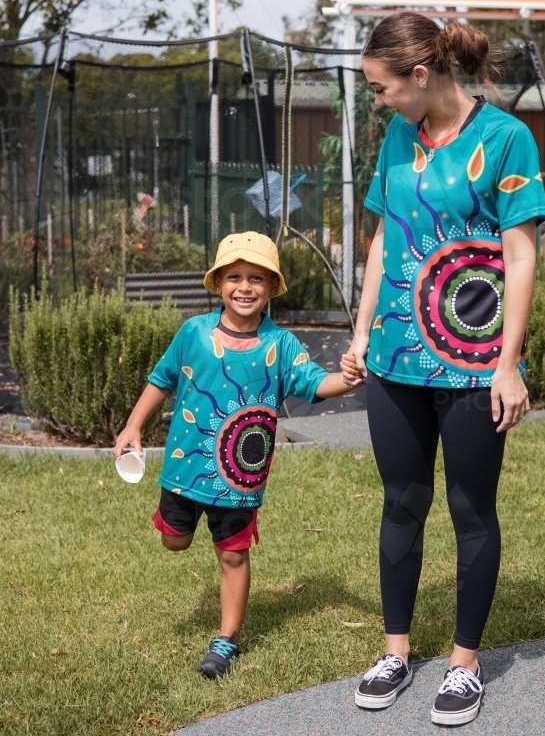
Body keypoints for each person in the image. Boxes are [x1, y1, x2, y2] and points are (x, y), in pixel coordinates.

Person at [347, 13, 545, 726]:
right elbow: (380, 238)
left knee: (469, 508)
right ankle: (395, 652)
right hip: (396, 358)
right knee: (401, 500)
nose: (378, 101)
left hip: (471, 361)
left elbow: (519, 255)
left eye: (381, 89)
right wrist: (363, 331)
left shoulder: (504, 140)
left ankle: (464, 664)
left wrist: (507, 363)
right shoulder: (399, 137)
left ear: (420, 76)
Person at [114, 231, 360, 679]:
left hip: (239, 479)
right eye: (234, 277)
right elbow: (161, 378)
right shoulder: (194, 333)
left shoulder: (281, 345)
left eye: (256, 279)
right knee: (175, 541)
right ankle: (179, 524)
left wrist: (349, 378)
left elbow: (315, 384)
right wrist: (133, 425)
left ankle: (226, 641)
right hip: (183, 471)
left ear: (271, 287)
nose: (245, 287)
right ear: (218, 283)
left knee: (232, 555)